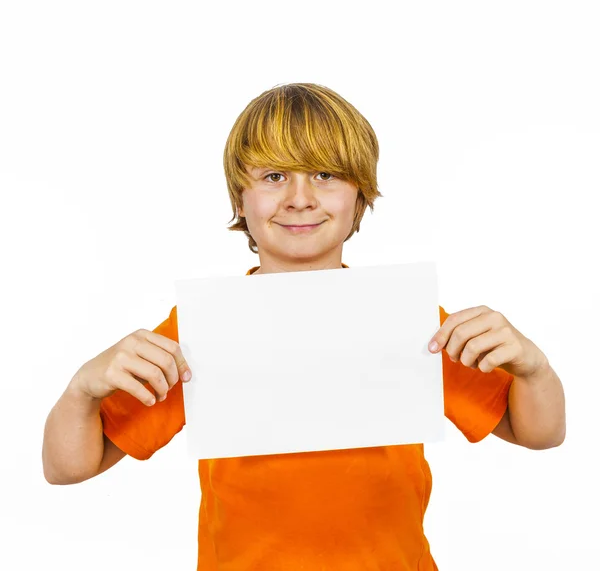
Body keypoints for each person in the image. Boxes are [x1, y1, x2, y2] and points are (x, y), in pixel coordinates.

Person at [42, 83, 566, 570]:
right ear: (239, 200)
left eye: (325, 174)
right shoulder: (201, 327)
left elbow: (537, 433)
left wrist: (534, 369)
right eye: (274, 176)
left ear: (360, 196)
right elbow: (68, 468)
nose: (300, 198)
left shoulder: (407, 317)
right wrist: (81, 389)